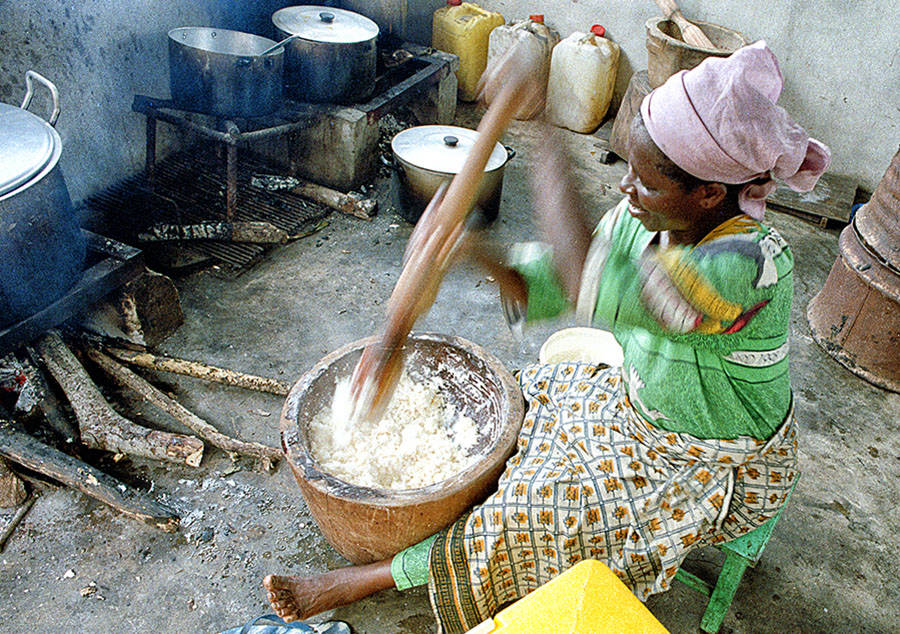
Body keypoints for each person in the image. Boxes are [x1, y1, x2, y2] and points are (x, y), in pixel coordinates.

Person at [263, 41, 830, 633]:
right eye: (628, 169)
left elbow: (580, 261)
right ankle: (461, 530)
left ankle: (368, 578)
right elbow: (550, 284)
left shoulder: (749, 267)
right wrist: (469, 252)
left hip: (708, 461)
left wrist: (537, 122)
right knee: (517, 401)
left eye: (648, 180)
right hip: (638, 405)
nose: (625, 188)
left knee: (529, 517)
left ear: (711, 193)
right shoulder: (650, 216)